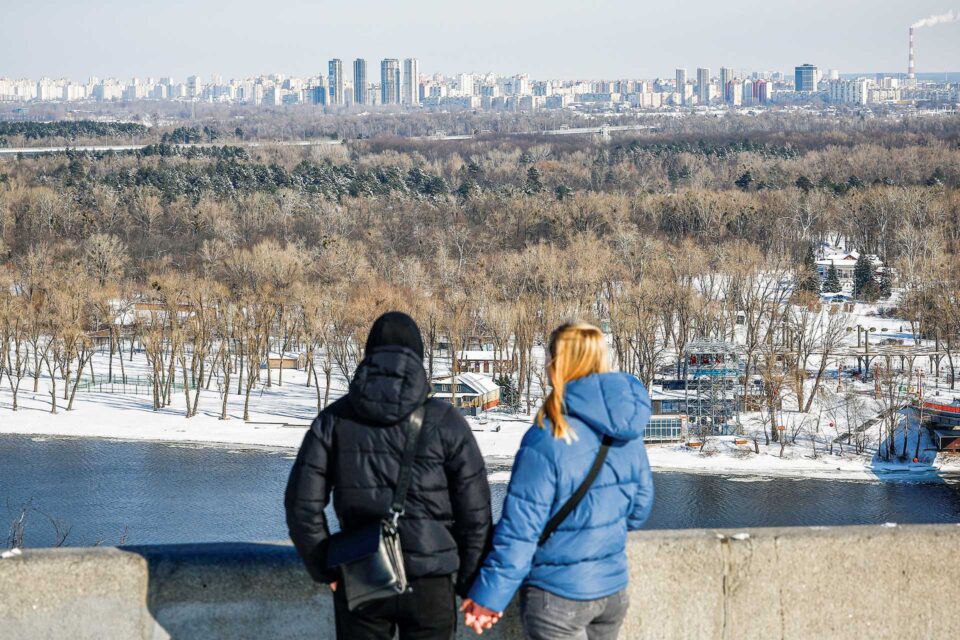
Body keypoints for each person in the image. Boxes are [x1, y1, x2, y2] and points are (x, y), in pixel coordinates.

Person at [285, 311, 492, 640]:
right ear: (419, 356)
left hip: (362, 570)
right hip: (431, 582)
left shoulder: (334, 419)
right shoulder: (446, 420)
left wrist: (327, 567)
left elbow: (301, 505)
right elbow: (476, 515)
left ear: (369, 354)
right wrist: (467, 580)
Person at [462, 322, 653, 640]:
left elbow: (521, 532)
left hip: (558, 596)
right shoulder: (626, 431)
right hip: (612, 591)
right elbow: (639, 510)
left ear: (556, 365)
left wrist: (488, 598)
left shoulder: (548, 436)